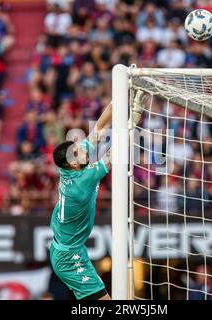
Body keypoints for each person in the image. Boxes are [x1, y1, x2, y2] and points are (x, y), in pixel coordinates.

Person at [49, 91, 145, 300]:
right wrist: (135, 116)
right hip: (68, 256)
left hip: (69, 247)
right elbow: (116, 151)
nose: (84, 150)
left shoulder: (72, 165)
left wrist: (118, 99)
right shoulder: (81, 183)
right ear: (73, 163)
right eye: (79, 151)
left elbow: (99, 128)